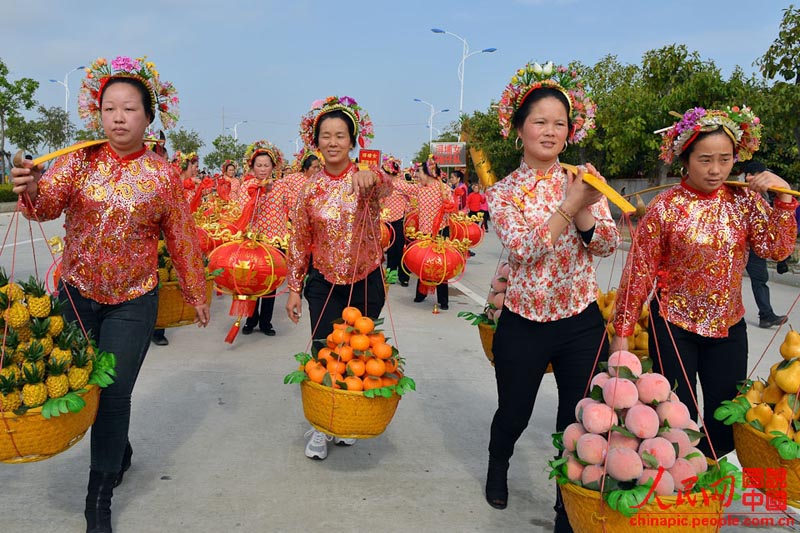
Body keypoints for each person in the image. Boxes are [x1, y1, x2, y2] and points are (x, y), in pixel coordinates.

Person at [11, 55, 210, 533]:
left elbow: (181, 236)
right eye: (109, 108)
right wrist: (30, 187)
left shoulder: (162, 176)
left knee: (114, 392)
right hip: (77, 293)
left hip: (133, 298)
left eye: (130, 109)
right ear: (97, 114)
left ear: (148, 116)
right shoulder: (76, 161)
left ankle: (98, 497)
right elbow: (44, 208)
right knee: (84, 385)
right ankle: (118, 450)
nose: (118, 118)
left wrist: (196, 289)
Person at [611, 106, 797, 460]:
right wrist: (622, 330)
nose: (715, 170)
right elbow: (640, 271)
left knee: (724, 421)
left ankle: (709, 480)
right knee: (673, 416)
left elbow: (776, 248)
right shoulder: (665, 207)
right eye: (705, 160)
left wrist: (783, 197)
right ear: (687, 159)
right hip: (673, 324)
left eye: (725, 160)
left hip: (728, 326)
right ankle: (678, 488)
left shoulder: (744, 202)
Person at [487, 61, 618, 531]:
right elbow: (522, 251)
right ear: (519, 129)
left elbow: (605, 244)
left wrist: (585, 205)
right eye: (539, 121)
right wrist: (570, 204)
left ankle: (568, 506)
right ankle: (498, 462)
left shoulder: (585, 180)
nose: (549, 131)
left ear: (570, 131)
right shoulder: (502, 192)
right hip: (524, 319)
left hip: (580, 319)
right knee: (514, 412)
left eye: (559, 123)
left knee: (578, 423)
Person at [285, 95, 389, 460]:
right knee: (323, 352)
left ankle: (348, 418)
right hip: (323, 280)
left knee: (359, 354)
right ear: (315, 142)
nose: (332, 142)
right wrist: (294, 289)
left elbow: (393, 191)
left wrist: (372, 175)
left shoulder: (366, 180)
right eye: (325, 135)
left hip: (366, 280)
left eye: (340, 135)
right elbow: (300, 240)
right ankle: (321, 425)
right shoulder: (308, 188)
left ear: (353, 140)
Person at [234, 140, 288, 336]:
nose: (263, 169)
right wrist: (258, 192)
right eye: (259, 165)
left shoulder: (282, 186)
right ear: (252, 166)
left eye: (266, 165)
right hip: (253, 241)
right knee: (251, 282)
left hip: (275, 241)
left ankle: (266, 321)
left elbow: (291, 208)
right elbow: (243, 210)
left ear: (273, 167)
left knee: (271, 284)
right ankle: (250, 319)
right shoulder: (247, 186)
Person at [394, 160, 456, 308]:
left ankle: (443, 300)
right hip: (424, 232)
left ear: (429, 173)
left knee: (441, 265)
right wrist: (388, 178)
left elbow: (453, 205)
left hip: (440, 231)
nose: (417, 175)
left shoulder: (444, 188)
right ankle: (421, 294)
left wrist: (450, 206)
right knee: (423, 263)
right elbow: (403, 186)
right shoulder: (420, 188)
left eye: (419, 172)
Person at [379, 155, 410, 286]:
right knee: (390, 248)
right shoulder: (383, 185)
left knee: (400, 248)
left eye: (385, 173)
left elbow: (415, 194)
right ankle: (391, 274)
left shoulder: (401, 185)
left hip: (399, 220)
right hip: (385, 221)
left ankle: (403, 276)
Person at [282, 150, 321, 218]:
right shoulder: (294, 178)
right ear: (305, 169)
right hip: (293, 219)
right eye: (314, 167)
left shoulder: (320, 182)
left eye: (318, 167)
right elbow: (280, 186)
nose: (317, 170)